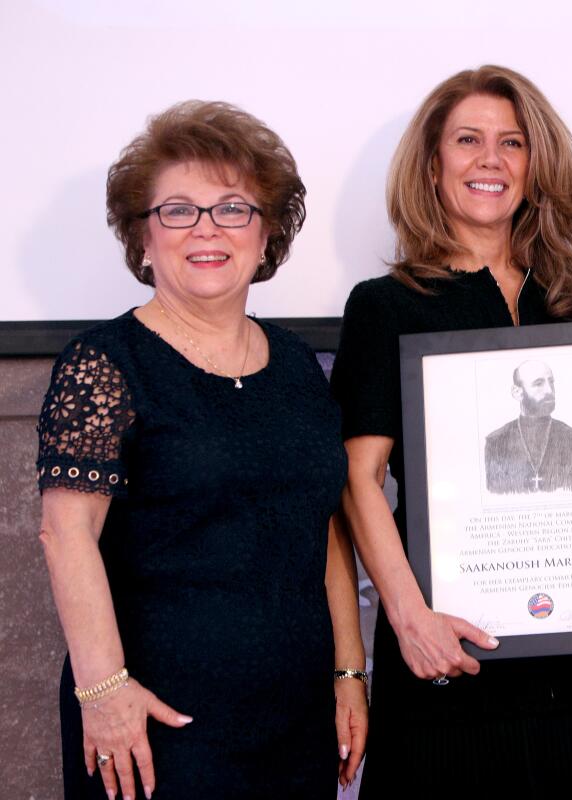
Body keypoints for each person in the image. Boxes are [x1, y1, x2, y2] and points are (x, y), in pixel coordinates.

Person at [36, 101, 367, 800]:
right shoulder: (104, 363)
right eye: (179, 211)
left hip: (294, 720)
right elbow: (66, 532)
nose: (208, 229)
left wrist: (348, 672)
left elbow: (324, 525)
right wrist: (102, 691)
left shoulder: (298, 364)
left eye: (233, 208)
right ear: (144, 239)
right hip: (151, 723)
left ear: (267, 232)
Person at [330, 66, 572, 796]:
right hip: (445, 659)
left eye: (512, 142)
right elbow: (357, 478)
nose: (491, 159)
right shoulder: (387, 306)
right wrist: (409, 616)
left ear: (535, 166)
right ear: (432, 166)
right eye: (468, 140)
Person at [484, 359, 572, 494]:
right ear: (517, 392)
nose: (549, 390)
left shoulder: (570, 436)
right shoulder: (495, 441)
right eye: (538, 384)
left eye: (551, 382)